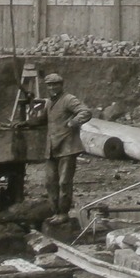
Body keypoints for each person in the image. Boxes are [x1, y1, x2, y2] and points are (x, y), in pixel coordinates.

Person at [42, 72, 92, 219]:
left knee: (64, 182)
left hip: (67, 147)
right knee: (50, 182)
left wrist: (73, 122)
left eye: (55, 84)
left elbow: (85, 112)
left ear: (61, 85)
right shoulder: (49, 102)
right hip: (52, 148)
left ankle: (63, 213)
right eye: (49, 85)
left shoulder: (68, 99)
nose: (52, 87)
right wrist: (26, 123)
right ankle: (55, 211)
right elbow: (43, 119)